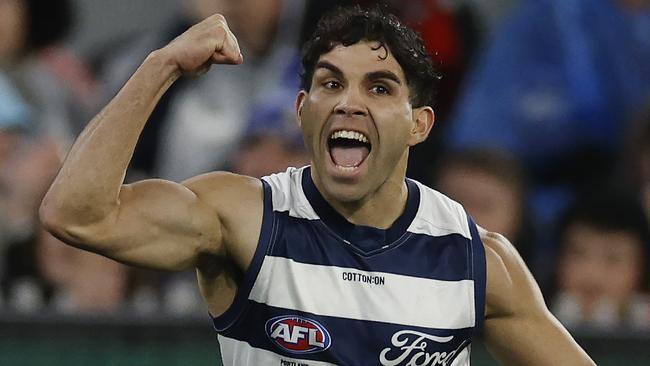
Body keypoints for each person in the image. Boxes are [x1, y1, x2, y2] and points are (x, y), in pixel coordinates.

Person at [40, 6, 595, 365]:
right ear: (303, 110)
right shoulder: (243, 217)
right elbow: (76, 214)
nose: (349, 101)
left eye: (379, 88)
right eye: (331, 83)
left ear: (419, 124)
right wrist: (161, 66)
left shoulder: (477, 260)